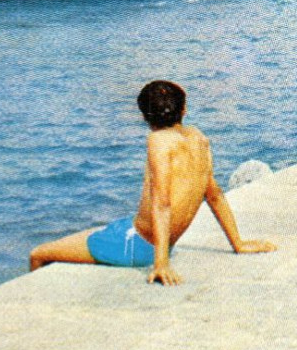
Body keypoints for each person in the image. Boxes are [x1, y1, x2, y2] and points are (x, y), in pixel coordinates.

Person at [29, 81, 276, 284]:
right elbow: (214, 194)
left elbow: (162, 203)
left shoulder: (158, 140)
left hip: (138, 244)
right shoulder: (199, 138)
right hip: (139, 233)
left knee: (39, 254)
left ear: (144, 116)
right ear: (184, 110)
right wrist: (238, 244)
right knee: (92, 234)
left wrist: (160, 265)